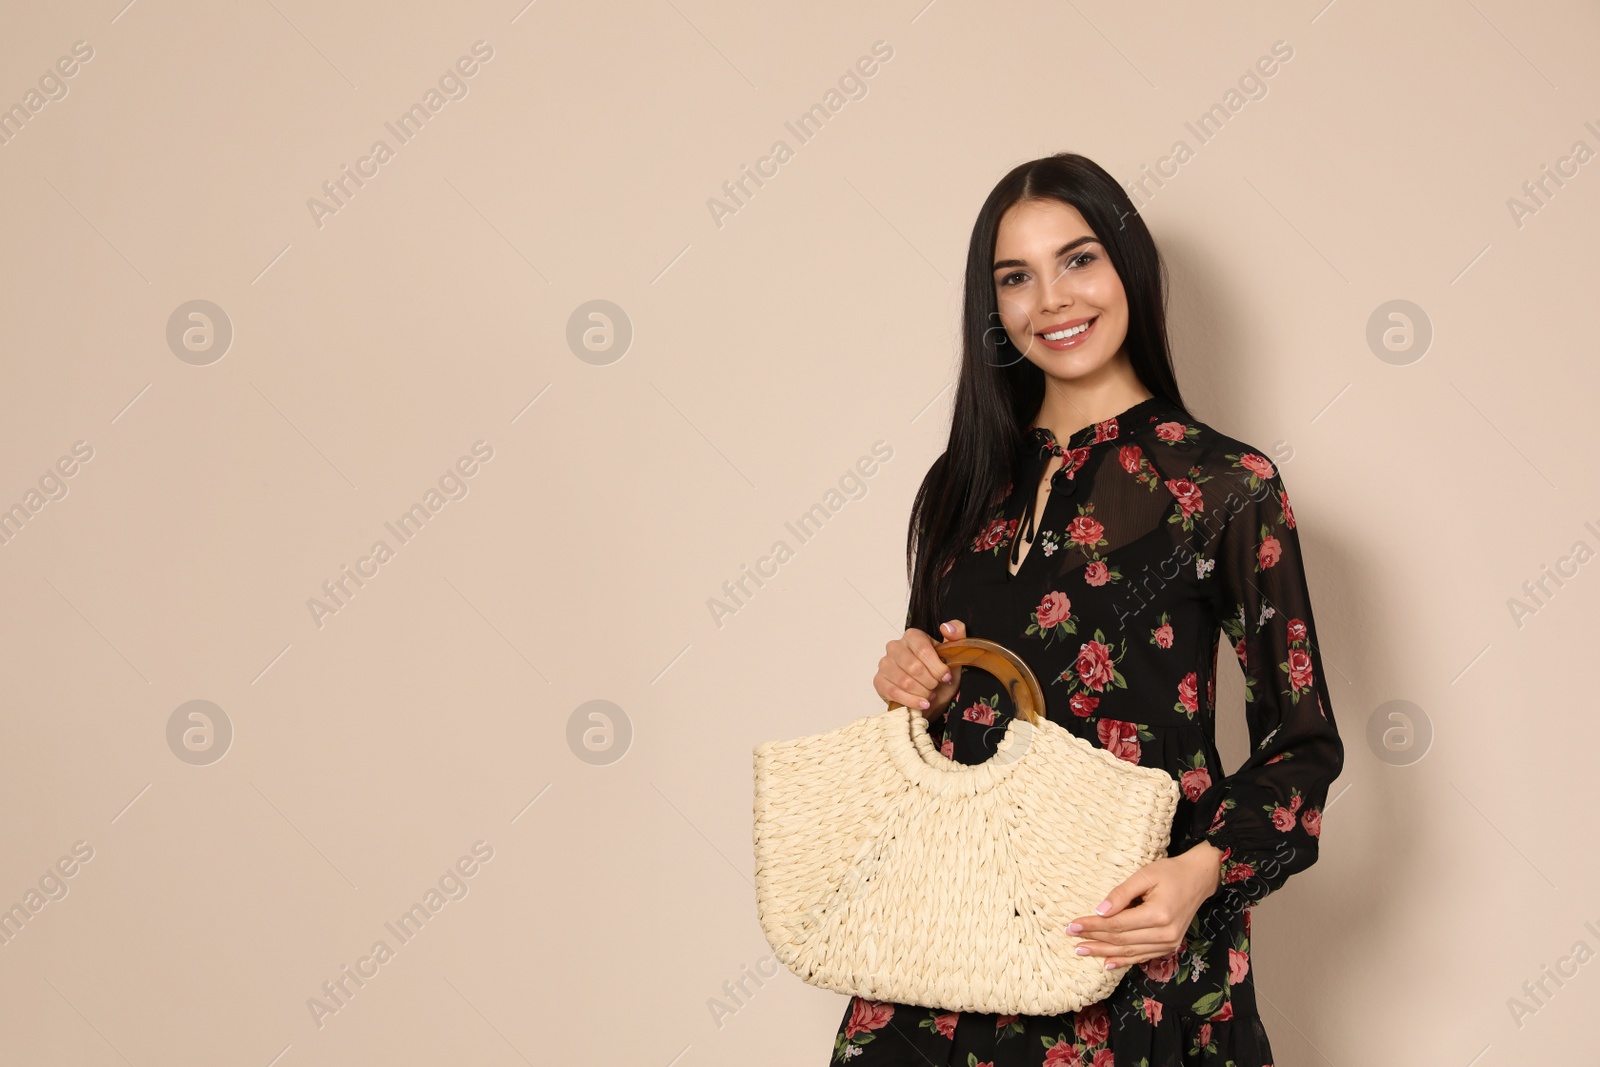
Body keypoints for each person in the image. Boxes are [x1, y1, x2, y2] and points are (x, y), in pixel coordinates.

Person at [830, 153, 1344, 1066]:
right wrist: (913, 679)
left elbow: (1303, 745)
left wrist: (1200, 875)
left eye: (1079, 260)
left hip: (1127, 950)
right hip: (948, 944)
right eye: (1016, 278)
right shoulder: (960, 485)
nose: (1052, 300)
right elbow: (941, 701)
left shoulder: (1224, 485)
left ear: (1129, 270)